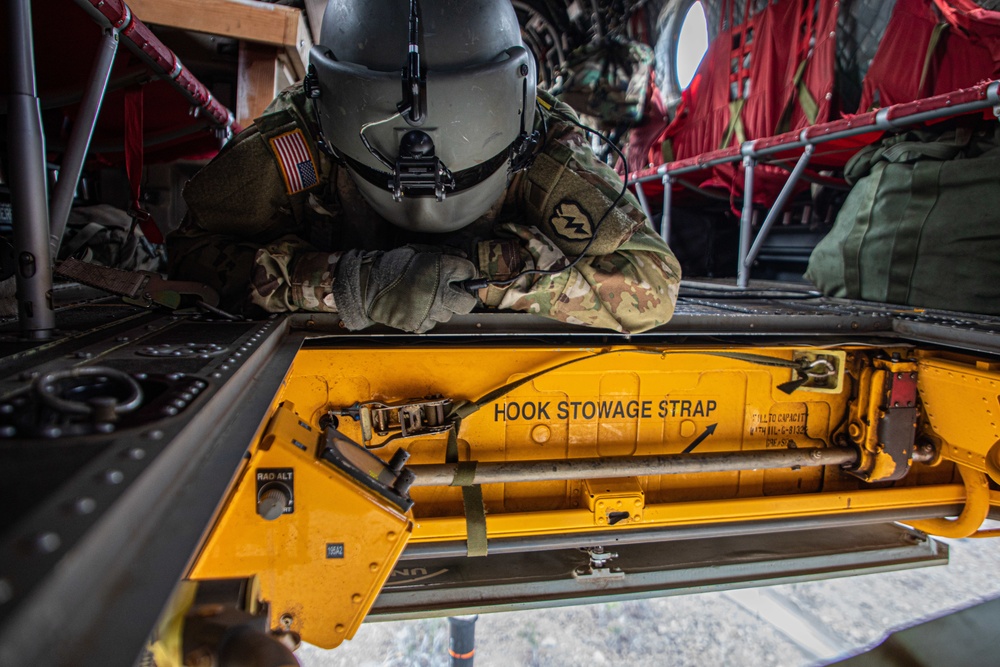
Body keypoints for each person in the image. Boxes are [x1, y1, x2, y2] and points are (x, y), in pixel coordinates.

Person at [168, 0, 681, 333]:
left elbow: (652, 284)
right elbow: (191, 257)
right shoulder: (301, 134)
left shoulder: (545, 139)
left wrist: (481, 274)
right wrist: (348, 284)